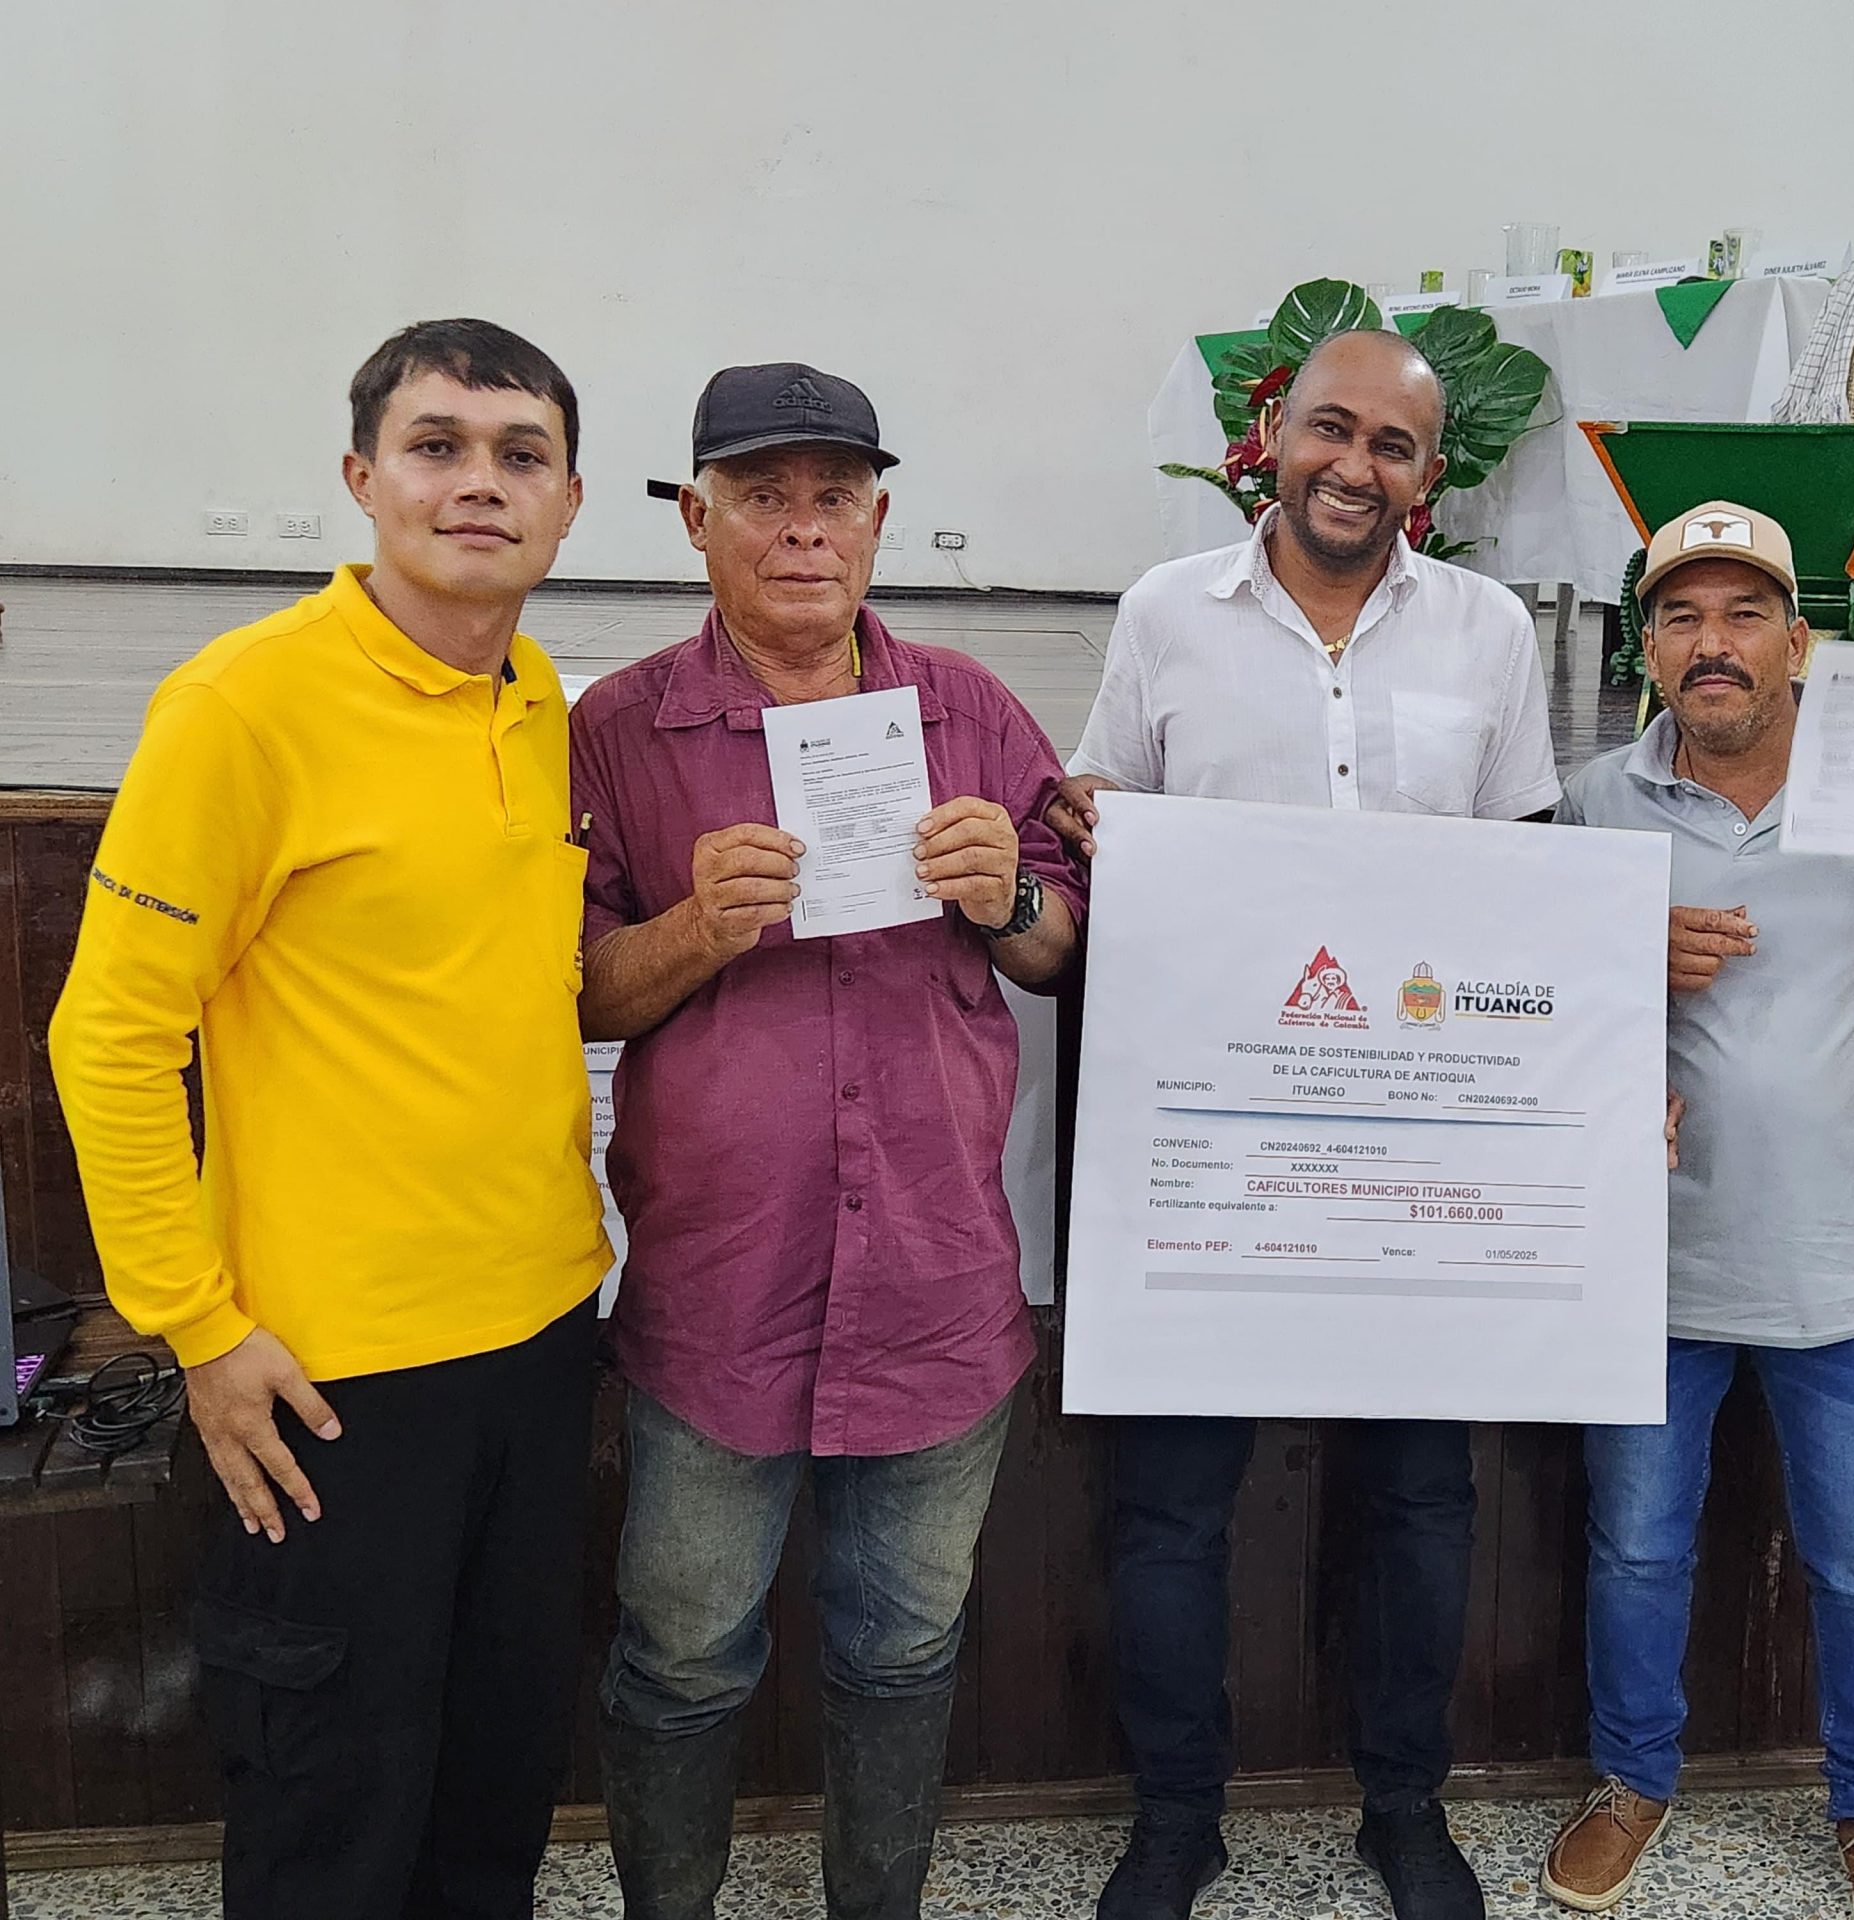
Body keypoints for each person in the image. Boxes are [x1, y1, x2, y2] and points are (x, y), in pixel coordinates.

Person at [49, 319, 604, 1918]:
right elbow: (109, 1036)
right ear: (362, 480)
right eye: (437, 446)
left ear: (568, 504)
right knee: (332, 1816)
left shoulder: (539, 698)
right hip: (331, 1376)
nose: (480, 483)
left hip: (541, 1333)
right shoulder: (243, 705)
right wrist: (198, 1327)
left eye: (521, 454)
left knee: (493, 1789)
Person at [1048, 328, 1560, 1920]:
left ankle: (1404, 1807)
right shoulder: (1165, 614)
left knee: (1421, 1503)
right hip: (1208, 1146)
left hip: (1416, 1151)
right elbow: (1101, 825)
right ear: (1273, 437)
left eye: (1393, 445)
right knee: (1169, 1505)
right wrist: (1089, 834)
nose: (1356, 465)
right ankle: (1175, 1820)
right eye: (1331, 429)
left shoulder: (1488, 631)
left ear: (1431, 474)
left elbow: (1524, 882)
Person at [573, 363, 1084, 1920]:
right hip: (719, 1296)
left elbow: (1059, 947)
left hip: (934, 1289)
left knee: (903, 1651)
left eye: (834, 498)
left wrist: (1009, 896)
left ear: (878, 518)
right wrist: (692, 931)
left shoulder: (970, 712)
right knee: (680, 1656)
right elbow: (575, 990)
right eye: (763, 498)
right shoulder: (620, 730)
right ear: (697, 520)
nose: (804, 530)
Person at [1536, 502, 1854, 1920]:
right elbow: (1533, 1004)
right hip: (1653, 1264)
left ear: (1800, 642)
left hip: (1852, 1264)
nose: (1714, 643)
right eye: (1682, 616)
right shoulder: (1599, 799)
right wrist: (1623, 957)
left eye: (1745, 614)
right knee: (1635, 1549)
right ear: (1648, 650)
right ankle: (1632, 1779)